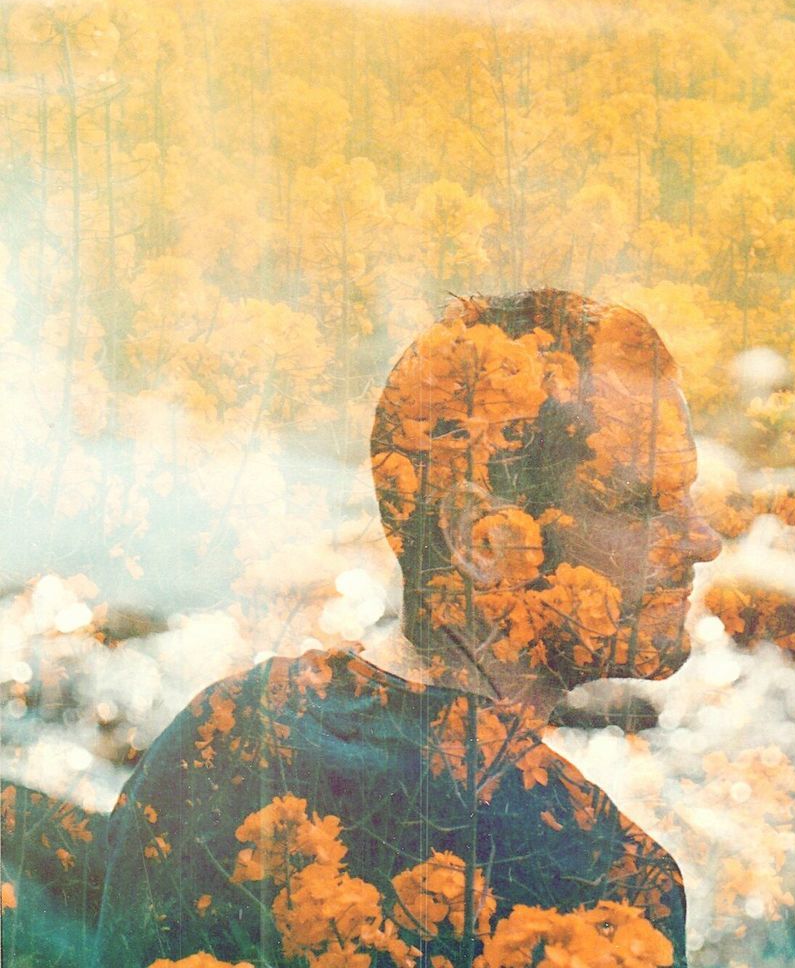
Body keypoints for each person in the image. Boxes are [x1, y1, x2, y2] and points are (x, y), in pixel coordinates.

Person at [93, 289, 721, 968]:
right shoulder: (596, 878)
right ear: (479, 541)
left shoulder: (222, 733)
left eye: (686, 496)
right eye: (638, 503)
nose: (701, 540)